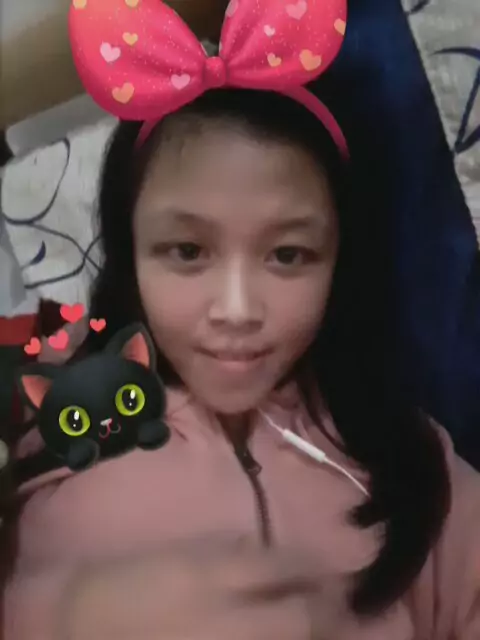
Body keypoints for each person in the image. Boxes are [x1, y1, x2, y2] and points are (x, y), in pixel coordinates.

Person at [2, 0, 480, 638]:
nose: (236, 310)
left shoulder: (413, 457)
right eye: (187, 251)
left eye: (288, 255)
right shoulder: (50, 422)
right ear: (129, 252)